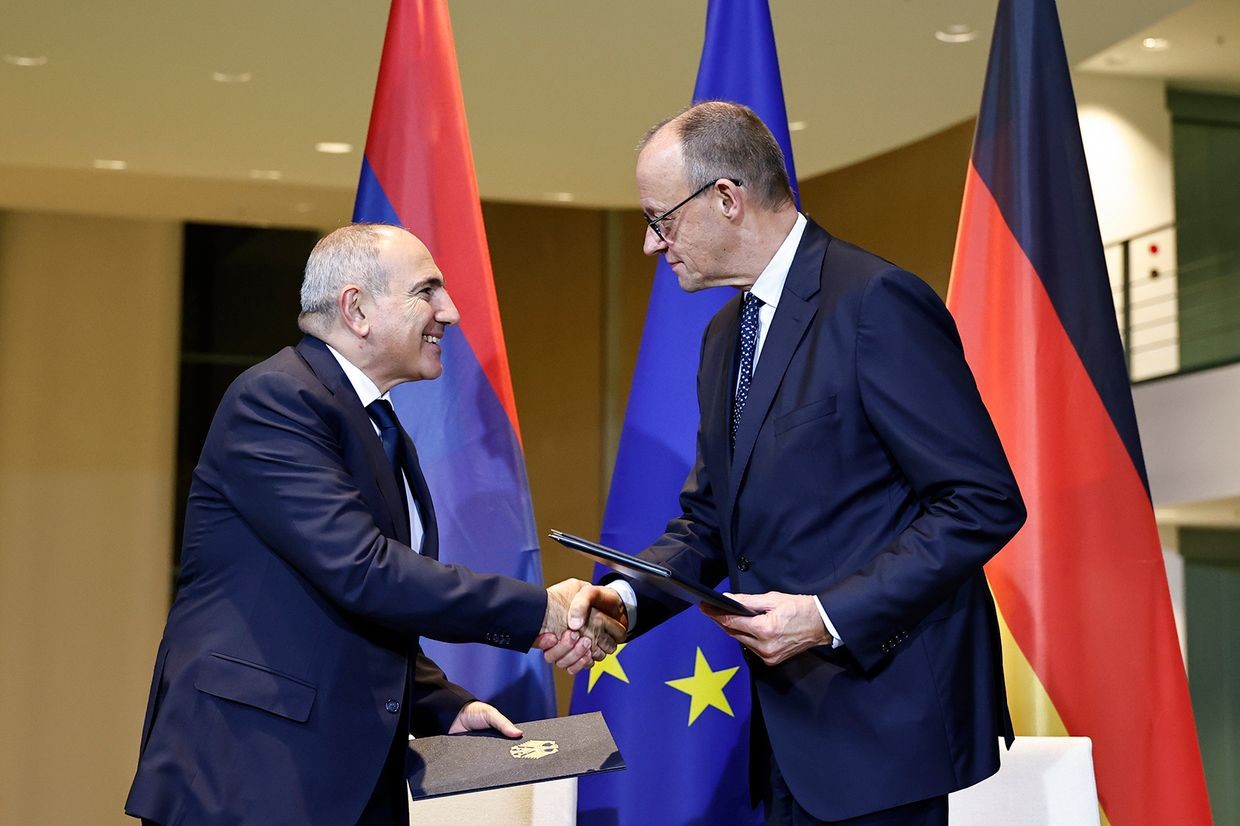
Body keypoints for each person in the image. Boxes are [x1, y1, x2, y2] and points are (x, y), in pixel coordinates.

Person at [551, 101, 1026, 825]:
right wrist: (628, 601)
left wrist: (828, 615)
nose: (652, 246)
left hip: (883, 726)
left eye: (660, 220)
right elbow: (712, 519)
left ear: (726, 199)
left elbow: (982, 500)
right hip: (788, 734)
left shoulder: (876, 303)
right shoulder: (722, 338)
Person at [125, 223, 624, 826]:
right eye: (427, 291)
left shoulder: (373, 422)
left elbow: (355, 607)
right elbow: (364, 572)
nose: (452, 312)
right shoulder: (277, 400)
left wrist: (439, 705)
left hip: (337, 773)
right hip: (249, 773)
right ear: (356, 308)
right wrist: (536, 611)